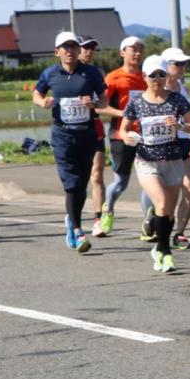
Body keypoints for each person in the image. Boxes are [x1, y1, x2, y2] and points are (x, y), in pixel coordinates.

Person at [120, 55, 190, 273]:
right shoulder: (136, 102)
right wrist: (127, 137)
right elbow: (123, 128)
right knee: (162, 203)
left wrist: (180, 125)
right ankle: (165, 252)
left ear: (166, 76)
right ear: (144, 76)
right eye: (153, 75)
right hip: (147, 161)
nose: (157, 79)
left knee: (169, 212)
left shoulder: (177, 100)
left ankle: (160, 247)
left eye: (161, 74)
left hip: (173, 160)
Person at [33, 32, 108, 252]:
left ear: (78, 50)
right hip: (62, 134)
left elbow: (103, 97)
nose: (69, 50)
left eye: (73, 46)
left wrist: (93, 103)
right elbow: (36, 94)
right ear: (57, 52)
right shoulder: (50, 73)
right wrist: (42, 102)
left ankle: (71, 221)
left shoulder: (91, 73)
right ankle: (77, 229)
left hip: (86, 133)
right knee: (71, 183)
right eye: (65, 47)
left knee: (82, 184)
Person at [97, 36, 147, 235]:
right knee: (121, 183)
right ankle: (107, 211)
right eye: (132, 49)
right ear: (122, 52)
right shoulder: (113, 77)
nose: (137, 53)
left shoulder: (148, 76)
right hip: (121, 135)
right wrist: (123, 114)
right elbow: (101, 106)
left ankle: (149, 223)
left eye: (140, 49)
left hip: (145, 136)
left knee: (150, 181)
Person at [161, 46, 190, 250]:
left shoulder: (184, 90)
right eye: (178, 64)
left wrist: (189, 125)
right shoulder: (155, 89)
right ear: (165, 65)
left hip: (184, 142)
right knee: (167, 191)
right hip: (161, 144)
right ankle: (155, 222)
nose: (183, 67)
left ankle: (180, 233)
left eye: (185, 63)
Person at [77, 36, 110, 235]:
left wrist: (94, 104)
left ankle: (99, 219)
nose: (89, 51)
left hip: (94, 127)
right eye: (86, 47)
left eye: (93, 48)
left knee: (96, 175)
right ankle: (74, 217)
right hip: (71, 132)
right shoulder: (63, 73)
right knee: (78, 179)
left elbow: (103, 101)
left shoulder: (96, 73)